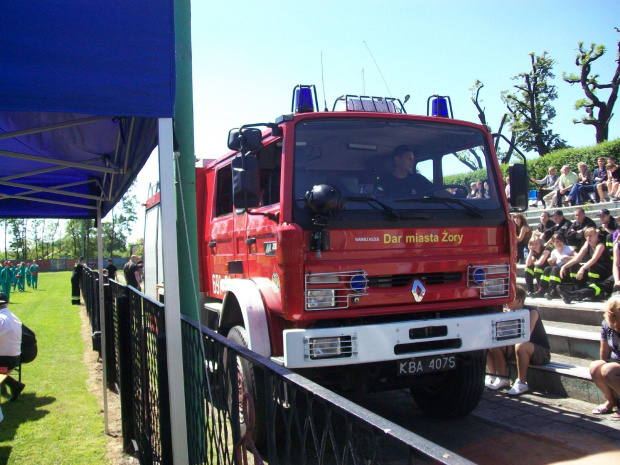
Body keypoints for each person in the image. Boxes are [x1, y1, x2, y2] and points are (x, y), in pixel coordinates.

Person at [485, 285, 551, 395]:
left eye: (510, 299)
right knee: (494, 343)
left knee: (521, 345)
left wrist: (510, 320)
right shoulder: (508, 312)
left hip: (539, 351)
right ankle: (503, 377)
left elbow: (526, 336)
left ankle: (522, 383)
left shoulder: (532, 312)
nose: (506, 301)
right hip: (517, 348)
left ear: (519, 300)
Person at [587, 295, 620, 418]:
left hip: (616, 365)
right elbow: (604, 351)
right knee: (595, 366)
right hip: (615, 360)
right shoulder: (607, 325)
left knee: (608, 370)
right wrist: (601, 370)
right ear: (612, 312)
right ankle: (611, 401)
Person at [559, 227, 612, 295]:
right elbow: (577, 258)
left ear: (596, 235)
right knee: (574, 266)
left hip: (605, 270)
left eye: (591, 235)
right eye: (586, 236)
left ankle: (594, 293)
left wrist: (583, 268)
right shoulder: (587, 244)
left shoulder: (600, 245)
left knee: (592, 266)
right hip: (593, 268)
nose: (588, 238)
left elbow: (594, 259)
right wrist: (564, 266)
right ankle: (577, 291)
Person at [0, 292, 25, 401]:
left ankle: (13, 385)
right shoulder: (14, 317)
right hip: (15, 358)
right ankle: (12, 385)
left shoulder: (1, 319)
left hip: (4, 361)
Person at [537, 233, 576, 299]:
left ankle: (553, 291)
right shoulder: (554, 252)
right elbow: (554, 266)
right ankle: (542, 289)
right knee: (547, 269)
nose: (559, 243)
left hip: (568, 270)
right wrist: (550, 261)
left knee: (555, 269)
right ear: (553, 243)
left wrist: (568, 257)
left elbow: (578, 258)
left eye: (560, 241)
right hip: (559, 271)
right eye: (557, 241)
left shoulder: (568, 248)